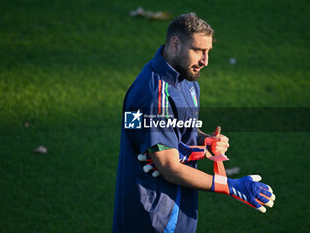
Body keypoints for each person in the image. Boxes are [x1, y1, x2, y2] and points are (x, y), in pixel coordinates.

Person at [113, 13, 275, 233]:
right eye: (198, 50)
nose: (205, 61)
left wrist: (203, 139)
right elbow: (169, 168)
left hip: (179, 209)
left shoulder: (187, 81)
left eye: (208, 51)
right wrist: (230, 186)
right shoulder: (154, 94)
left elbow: (167, 128)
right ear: (175, 44)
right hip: (153, 217)